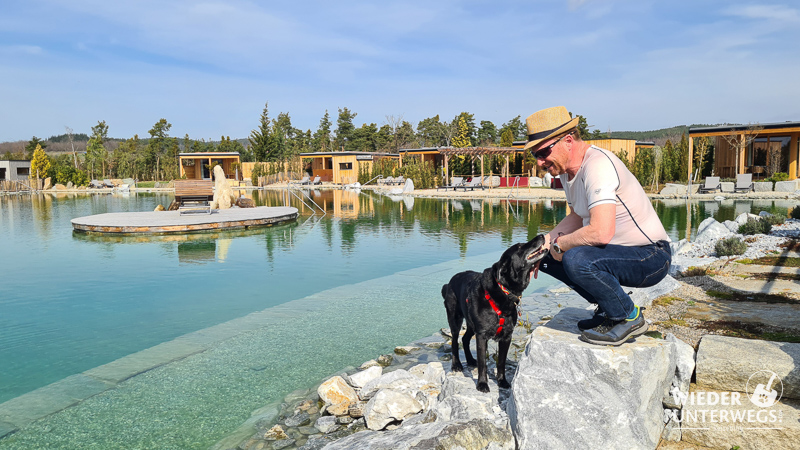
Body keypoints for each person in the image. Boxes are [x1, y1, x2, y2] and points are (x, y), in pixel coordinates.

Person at [526, 106, 672, 346]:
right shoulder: (567, 172)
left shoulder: (597, 165)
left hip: (652, 256)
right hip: (619, 255)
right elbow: (576, 216)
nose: (540, 162)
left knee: (576, 258)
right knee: (544, 256)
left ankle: (629, 316)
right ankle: (608, 309)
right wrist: (545, 241)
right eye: (535, 155)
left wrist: (560, 244)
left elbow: (601, 232)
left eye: (543, 152)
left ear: (568, 141)